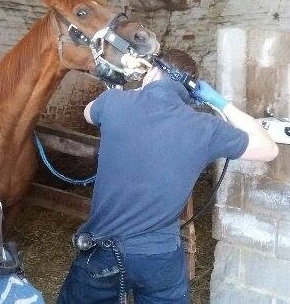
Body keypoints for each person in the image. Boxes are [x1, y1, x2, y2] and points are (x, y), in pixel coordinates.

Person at [57, 49, 278, 303]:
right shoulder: (206, 127)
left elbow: (88, 112)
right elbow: (269, 149)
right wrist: (220, 102)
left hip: (104, 250)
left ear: (153, 71)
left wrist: (143, 89)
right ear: (191, 90)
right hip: (159, 257)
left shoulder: (113, 102)